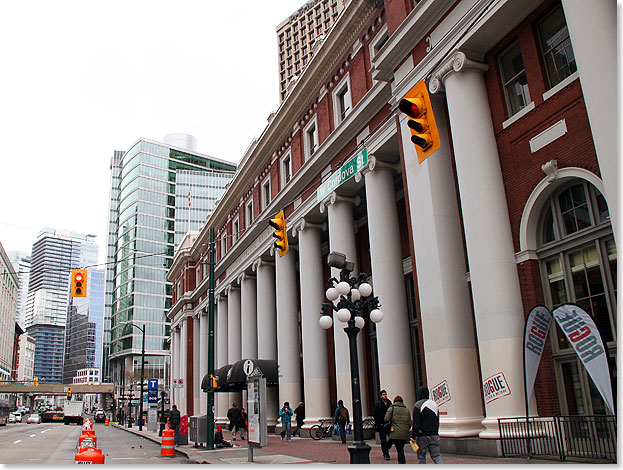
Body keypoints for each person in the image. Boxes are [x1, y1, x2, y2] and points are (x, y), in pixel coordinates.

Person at [412, 386, 444, 464]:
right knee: (436, 456)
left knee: (421, 457)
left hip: (422, 435)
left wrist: (413, 435)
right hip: (434, 434)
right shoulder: (434, 404)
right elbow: (437, 420)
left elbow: (416, 423)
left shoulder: (418, 405)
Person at [384, 395, 412, 464]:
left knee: (399, 449)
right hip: (405, 433)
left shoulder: (392, 408)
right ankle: (400, 461)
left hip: (395, 432)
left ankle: (402, 462)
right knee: (400, 448)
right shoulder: (406, 410)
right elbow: (409, 423)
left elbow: (386, 419)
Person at [374, 389, 392, 460]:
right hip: (381, 425)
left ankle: (387, 446)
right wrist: (379, 423)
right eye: (384, 394)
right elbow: (375, 415)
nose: (385, 396)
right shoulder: (378, 404)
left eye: (386, 394)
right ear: (381, 396)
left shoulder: (389, 403)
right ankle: (385, 453)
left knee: (391, 438)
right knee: (383, 440)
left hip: (389, 424)